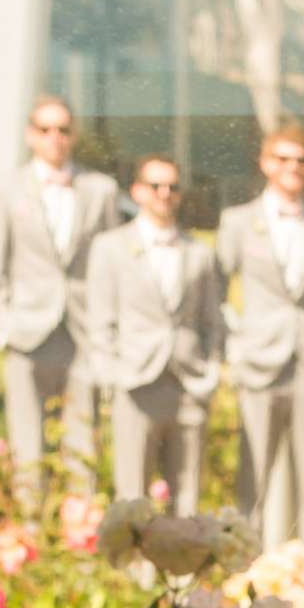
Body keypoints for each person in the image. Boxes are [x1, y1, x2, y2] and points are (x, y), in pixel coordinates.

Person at [217, 123, 304, 563]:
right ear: (265, 163)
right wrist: (235, 349)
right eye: (284, 159)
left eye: (302, 160)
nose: (293, 167)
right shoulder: (237, 222)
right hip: (259, 364)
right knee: (251, 478)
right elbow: (215, 299)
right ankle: (242, 573)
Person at [0, 96, 117, 499]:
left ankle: (80, 547)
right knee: (26, 446)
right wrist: (2, 328)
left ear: (73, 135)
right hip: (26, 331)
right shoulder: (7, 191)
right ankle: (28, 539)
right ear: (30, 135)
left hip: (81, 331)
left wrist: (106, 332)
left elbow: (111, 266)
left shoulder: (101, 190)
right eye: (45, 129)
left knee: (81, 445)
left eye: (62, 129)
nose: (54, 138)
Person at [86, 153, 224, 511]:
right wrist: (113, 376)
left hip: (188, 384)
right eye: (155, 185)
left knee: (187, 496)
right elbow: (100, 322)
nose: (165, 193)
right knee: (133, 497)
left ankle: (182, 568)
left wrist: (210, 373)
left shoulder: (200, 253)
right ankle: (135, 570)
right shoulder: (110, 247)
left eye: (173, 187)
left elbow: (212, 322)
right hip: (136, 383)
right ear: (137, 191)